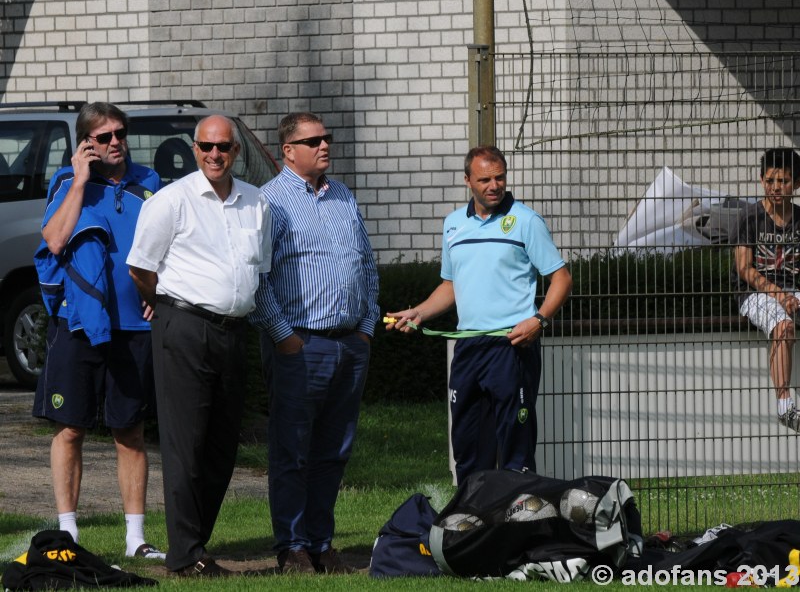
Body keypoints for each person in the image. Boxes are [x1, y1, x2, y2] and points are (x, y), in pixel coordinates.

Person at [126, 115, 272, 577]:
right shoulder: (171, 201)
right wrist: (161, 305)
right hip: (185, 326)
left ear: (236, 152)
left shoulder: (256, 203)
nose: (214, 155)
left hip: (233, 332)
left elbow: (257, 269)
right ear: (194, 150)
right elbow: (140, 268)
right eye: (206, 147)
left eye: (223, 147)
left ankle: (194, 545)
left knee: (221, 447)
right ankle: (185, 556)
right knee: (185, 445)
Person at [386, 146, 572, 485]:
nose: (494, 185)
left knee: (515, 449)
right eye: (484, 179)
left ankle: (517, 524)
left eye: (499, 177)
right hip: (469, 349)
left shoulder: (526, 221)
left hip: (511, 347)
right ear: (467, 181)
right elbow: (451, 285)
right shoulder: (454, 224)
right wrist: (419, 312)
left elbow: (561, 277)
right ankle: (471, 522)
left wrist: (539, 320)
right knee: (468, 447)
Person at [33, 101, 165, 560]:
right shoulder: (68, 184)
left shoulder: (150, 184)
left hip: (135, 329)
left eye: (120, 133)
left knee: (130, 431)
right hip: (79, 325)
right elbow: (54, 239)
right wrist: (81, 181)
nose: (115, 142)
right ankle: (68, 532)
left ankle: (135, 539)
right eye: (104, 136)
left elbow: (172, 246)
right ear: (86, 143)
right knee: (70, 429)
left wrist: (160, 293)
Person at [250, 112, 380, 574]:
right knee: (293, 449)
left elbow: (366, 264)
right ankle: (293, 545)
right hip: (300, 346)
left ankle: (322, 542)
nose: (324, 145)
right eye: (313, 140)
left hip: (350, 346)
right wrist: (285, 338)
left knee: (333, 450)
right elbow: (258, 278)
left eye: (327, 137)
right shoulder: (270, 202)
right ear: (288, 150)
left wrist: (366, 327)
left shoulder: (343, 195)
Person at [731, 147, 800, 433]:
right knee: (783, 326)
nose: (776, 187)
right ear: (761, 180)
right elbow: (744, 269)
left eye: (783, 181)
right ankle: (785, 406)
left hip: (794, 290)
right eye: (770, 180)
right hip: (754, 294)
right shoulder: (749, 217)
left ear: (796, 183)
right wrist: (779, 295)